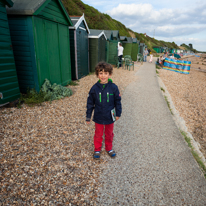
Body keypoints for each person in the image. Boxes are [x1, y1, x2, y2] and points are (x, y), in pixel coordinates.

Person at [86, 62, 122, 160]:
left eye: (105, 73)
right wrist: (88, 116)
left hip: (110, 116)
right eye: (100, 73)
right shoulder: (94, 88)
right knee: (98, 134)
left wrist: (118, 113)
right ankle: (97, 149)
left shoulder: (114, 87)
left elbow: (118, 101)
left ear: (109, 74)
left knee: (109, 134)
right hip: (98, 116)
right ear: (97, 75)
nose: (103, 76)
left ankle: (109, 148)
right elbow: (90, 103)